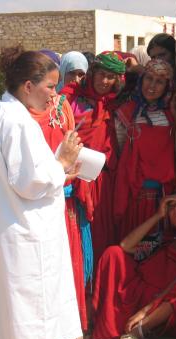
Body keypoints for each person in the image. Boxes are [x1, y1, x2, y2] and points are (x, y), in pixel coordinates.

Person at [0, 50, 83, 339]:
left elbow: (22, 175)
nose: (54, 96)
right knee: (29, 317)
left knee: (12, 313)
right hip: (25, 235)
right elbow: (29, 182)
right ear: (27, 86)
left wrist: (60, 171)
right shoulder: (17, 122)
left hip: (9, 230)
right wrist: (61, 162)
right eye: (50, 87)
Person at [13, 45, 89, 339]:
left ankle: (67, 328)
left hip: (63, 195)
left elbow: (71, 140)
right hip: (33, 202)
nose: (54, 91)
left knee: (64, 263)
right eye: (50, 84)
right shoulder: (17, 114)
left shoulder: (61, 106)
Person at [92, 190, 176, 339]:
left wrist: (148, 309)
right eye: (171, 207)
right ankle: (111, 323)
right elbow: (125, 246)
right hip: (143, 296)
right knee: (113, 253)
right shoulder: (164, 239)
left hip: (170, 304)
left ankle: (142, 329)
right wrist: (158, 215)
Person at [61, 51, 125, 266]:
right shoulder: (71, 99)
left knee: (101, 232)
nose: (105, 81)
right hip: (74, 178)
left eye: (111, 77)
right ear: (92, 73)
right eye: (101, 74)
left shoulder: (115, 105)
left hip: (103, 182)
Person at [113, 59, 176, 242]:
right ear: (141, 80)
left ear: (167, 86)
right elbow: (120, 152)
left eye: (160, 82)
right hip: (133, 196)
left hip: (162, 196)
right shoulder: (126, 113)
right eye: (149, 78)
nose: (152, 86)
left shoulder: (172, 116)